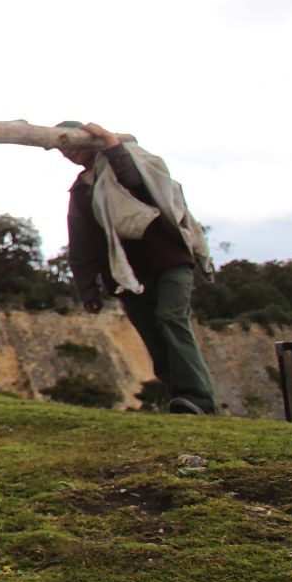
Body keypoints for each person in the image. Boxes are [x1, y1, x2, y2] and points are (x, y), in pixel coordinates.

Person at [58, 120, 218, 414]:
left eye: (69, 145)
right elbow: (82, 242)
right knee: (154, 336)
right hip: (127, 275)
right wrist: (88, 289)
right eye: (61, 149)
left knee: (171, 319)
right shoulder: (81, 191)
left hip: (169, 261)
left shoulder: (127, 163)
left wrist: (110, 143)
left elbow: (134, 182)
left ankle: (200, 400)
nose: (66, 154)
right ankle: (184, 402)